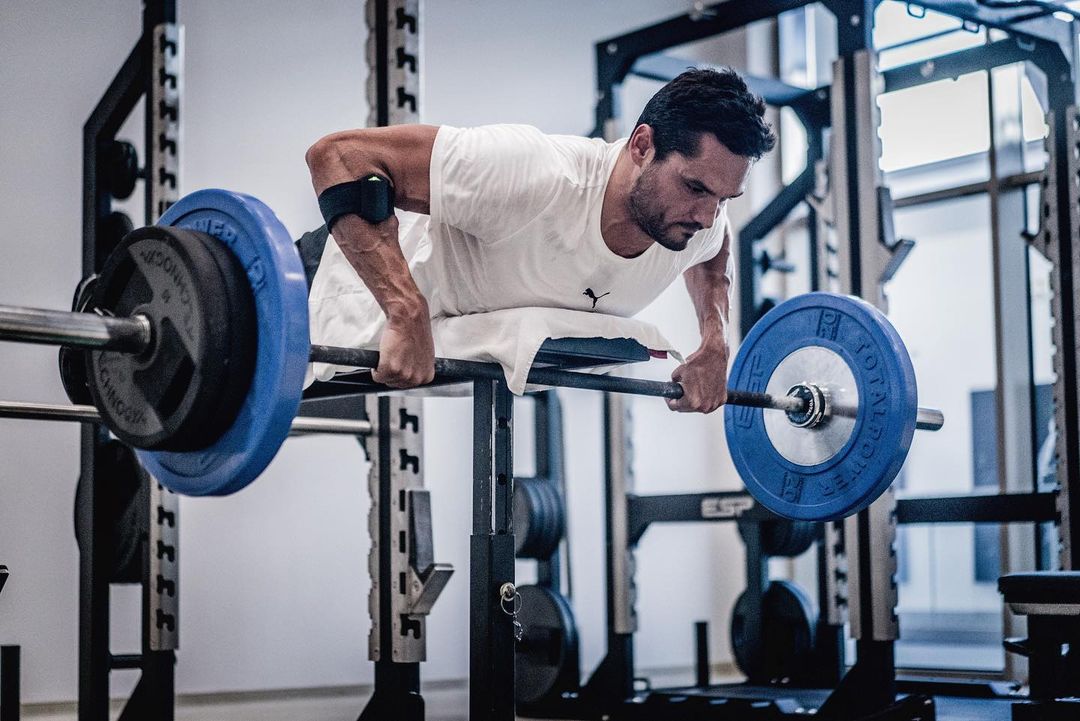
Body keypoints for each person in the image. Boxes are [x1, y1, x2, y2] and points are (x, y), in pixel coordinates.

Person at [303, 67, 775, 413]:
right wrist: (404, 311)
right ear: (641, 145)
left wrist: (715, 343)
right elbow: (339, 156)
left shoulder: (700, 220)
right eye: (695, 188)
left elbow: (715, 250)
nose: (706, 215)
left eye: (724, 198)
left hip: (405, 353)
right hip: (319, 284)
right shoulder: (536, 174)